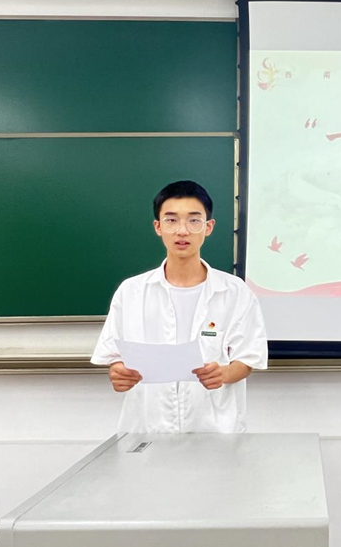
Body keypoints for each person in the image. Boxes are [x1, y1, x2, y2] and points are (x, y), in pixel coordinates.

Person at [90, 180, 268, 433]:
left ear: (208, 227)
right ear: (158, 227)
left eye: (194, 220)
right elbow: (114, 357)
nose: (182, 231)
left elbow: (248, 358)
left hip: (215, 431)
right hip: (147, 428)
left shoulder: (234, 291)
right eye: (171, 220)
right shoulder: (131, 292)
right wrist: (119, 373)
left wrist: (224, 374)